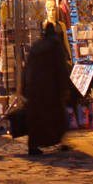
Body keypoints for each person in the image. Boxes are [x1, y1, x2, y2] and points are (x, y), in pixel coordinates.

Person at [23, 23, 70, 155]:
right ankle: (59, 141)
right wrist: (64, 87)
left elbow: (28, 67)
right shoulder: (56, 46)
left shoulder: (36, 46)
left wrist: (26, 86)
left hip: (35, 88)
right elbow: (61, 68)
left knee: (37, 118)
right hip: (51, 88)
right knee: (57, 116)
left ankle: (33, 145)